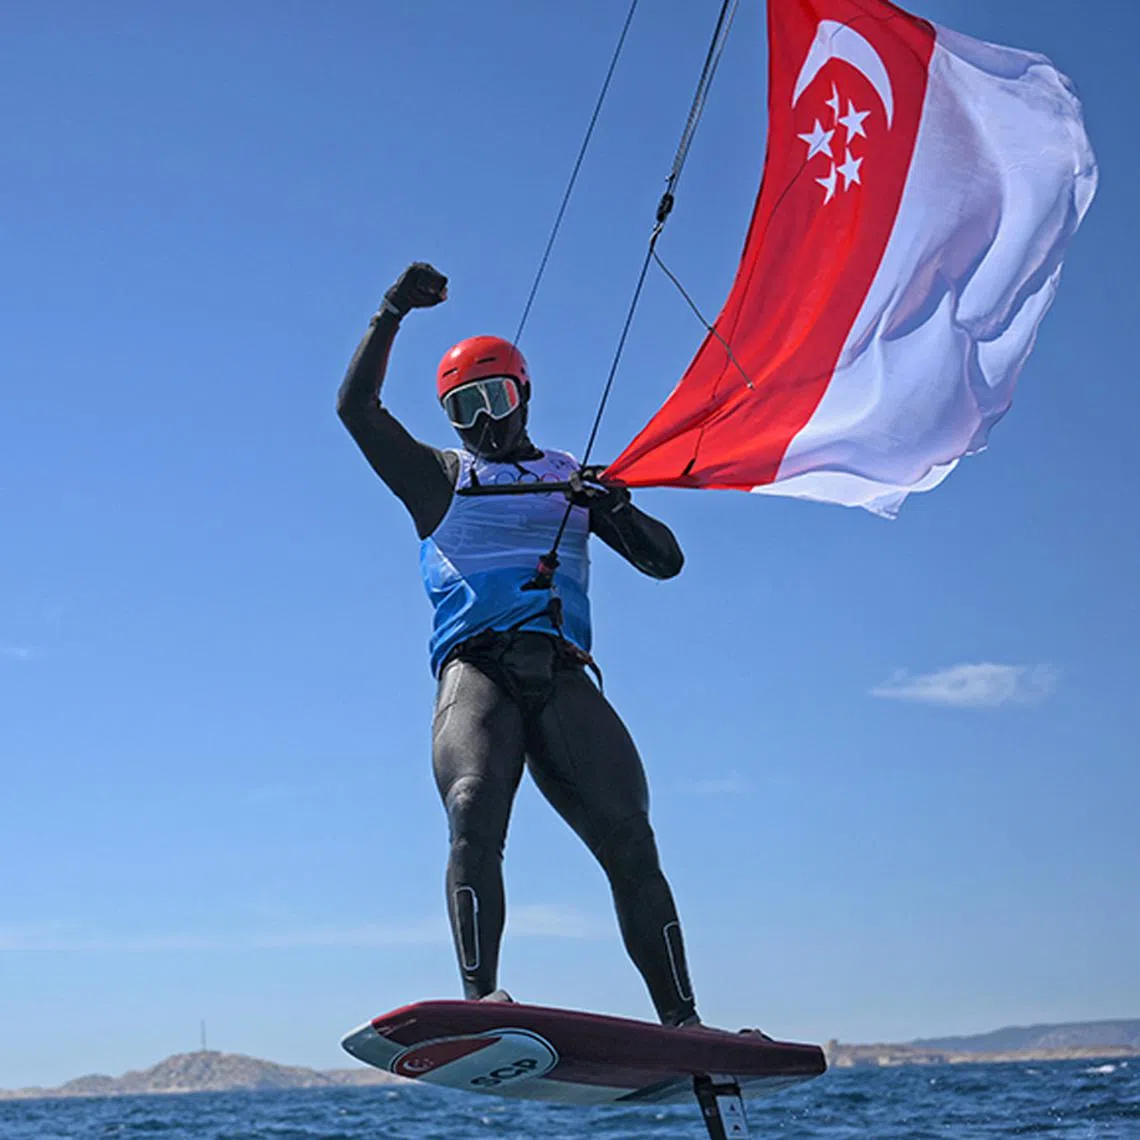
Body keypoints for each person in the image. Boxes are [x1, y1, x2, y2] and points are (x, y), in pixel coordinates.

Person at [336, 262, 701, 1028]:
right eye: (462, 409)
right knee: (473, 808)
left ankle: (682, 1020)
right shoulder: (438, 478)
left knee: (632, 839)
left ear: (523, 393)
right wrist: (390, 310)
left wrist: (617, 510)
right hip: (478, 675)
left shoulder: (575, 479)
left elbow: (666, 563)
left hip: (564, 676)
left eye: (493, 399)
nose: (483, 421)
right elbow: (356, 408)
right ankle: (482, 1001)